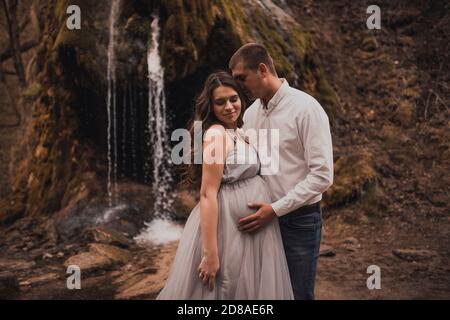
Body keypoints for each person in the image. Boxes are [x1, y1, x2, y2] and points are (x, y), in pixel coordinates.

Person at [157, 71, 293, 299]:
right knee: (226, 288)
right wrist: (210, 253)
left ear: (241, 98)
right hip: (228, 228)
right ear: (210, 106)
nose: (229, 106)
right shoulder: (215, 135)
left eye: (233, 99)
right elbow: (207, 193)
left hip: (250, 229)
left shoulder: (237, 131)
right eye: (220, 102)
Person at [229, 43, 334, 300]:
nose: (239, 86)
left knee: (298, 294)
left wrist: (275, 210)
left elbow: (322, 176)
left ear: (262, 69)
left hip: (299, 221)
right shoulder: (251, 115)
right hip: (260, 221)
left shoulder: (306, 109)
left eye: (242, 78)